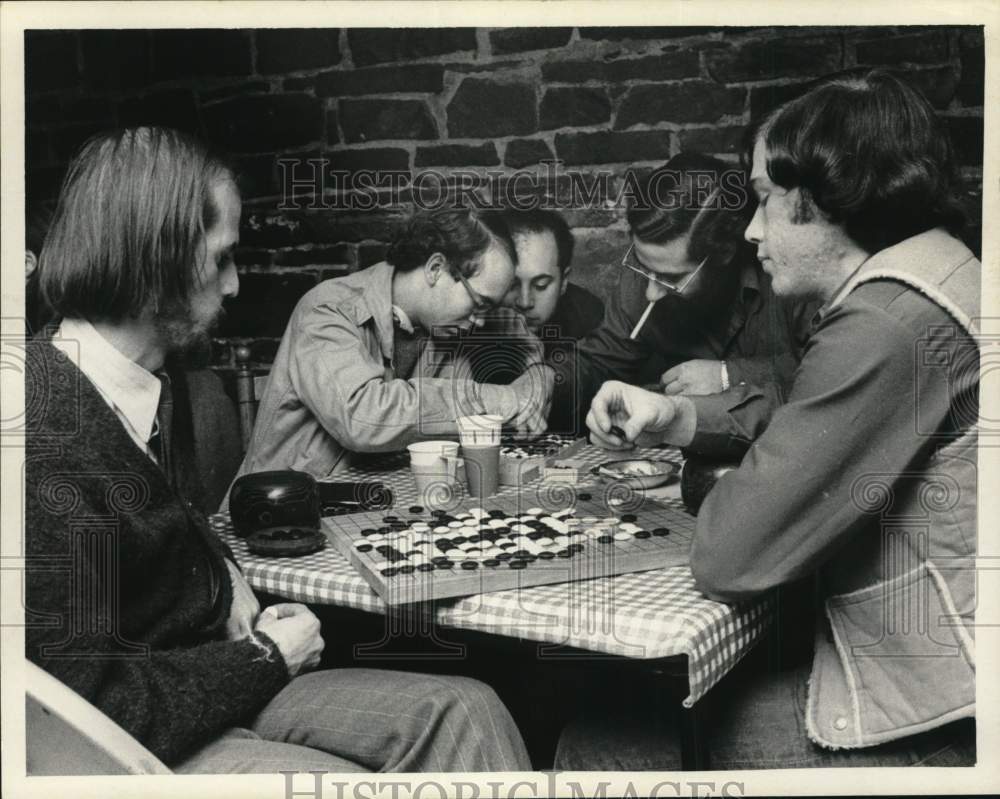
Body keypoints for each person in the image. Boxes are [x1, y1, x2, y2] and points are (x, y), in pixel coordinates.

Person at [26, 127, 531, 773]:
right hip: (135, 746)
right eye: (221, 258)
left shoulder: (153, 382)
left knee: (466, 708)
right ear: (158, 259)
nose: (235, 285)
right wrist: (265, 657)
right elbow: (83, 712)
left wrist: (222, 574)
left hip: (202, 682)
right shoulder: (43, 431)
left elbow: (164, 518)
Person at [569, 70, 978, 768]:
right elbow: (814, 410)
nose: (753, 229)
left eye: (762, 198)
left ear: (825, 199)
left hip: (939, 709)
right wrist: (676, 416)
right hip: (936, 662)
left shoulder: (884, 320)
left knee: (599, 744)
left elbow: (730, 553)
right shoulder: (934, 270)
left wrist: (719, 483)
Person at [235, 208, 555, 483]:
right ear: (435, 269)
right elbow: (361, 418)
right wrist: (504, 399)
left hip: (376, 503)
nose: (481, 320)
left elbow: (526, 344)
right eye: (479, 303)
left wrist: (538, 377)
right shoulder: (327, 310)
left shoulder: (445, 326)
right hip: (283, 509)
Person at [550, 152, 817, 437]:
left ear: (724, 253)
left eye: (671, 278)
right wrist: (545, 381)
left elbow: (825, 377)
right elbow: (600, 360)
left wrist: (730, 376)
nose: (651, 293)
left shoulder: (790, 277)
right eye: (642, 267)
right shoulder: (651, 269)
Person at [464, 209, 604, 392]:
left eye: (541, 285)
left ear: (564, 282)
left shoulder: (588, 318)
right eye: (511, 284)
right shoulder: (466, 320)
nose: (524, 302)